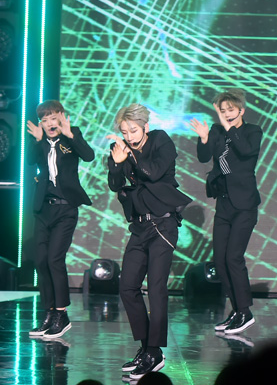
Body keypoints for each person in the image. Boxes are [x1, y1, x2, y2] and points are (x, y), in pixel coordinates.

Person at [107, 104, 192, 379]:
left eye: (133, 130)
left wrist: (129, 156)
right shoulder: (120, 149)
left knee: (156, 288)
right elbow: (114, 183)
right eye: (124, 132)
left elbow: (153, 172)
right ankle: (146, 349)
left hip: (163, 224)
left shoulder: (160, 140)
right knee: (127, 286)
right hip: (140, 226)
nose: (129, 136)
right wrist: (117, 163)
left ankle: (154, 351)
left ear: (145, 126)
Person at [189, 89, 262, 334]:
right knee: (220, 261)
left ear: (241, 110)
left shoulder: (252, 131)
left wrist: (228, 127)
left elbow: (246, 151)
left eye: (230, 110)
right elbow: (203, 157)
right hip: (224, 203)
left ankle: (245, 312)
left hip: (245, 204)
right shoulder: (217, 131)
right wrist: (204, 138)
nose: (227, 114)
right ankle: (237, 310)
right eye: (222, 111)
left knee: (233, 258)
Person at [26, 100, 95, 339]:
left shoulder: (71, 135)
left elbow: (89, 156)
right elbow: (30, 161)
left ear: (62, 117)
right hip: (43, 209)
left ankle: (61, 314)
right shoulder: (40, 140)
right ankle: (48, 314)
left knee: (55, 259)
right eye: (44, 120)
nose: (49, 124)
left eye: (53, 118)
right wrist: (37, 140)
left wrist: (70, 135)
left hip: (65, 210)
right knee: (41, 261)